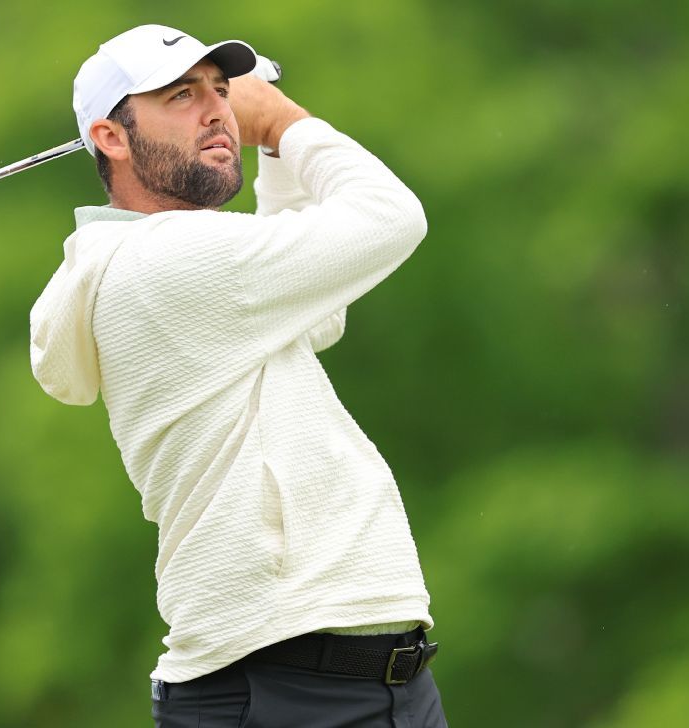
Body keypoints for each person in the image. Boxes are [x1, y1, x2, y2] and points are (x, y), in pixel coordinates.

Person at [30, 24, 446, 727]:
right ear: (111, 137)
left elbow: (315, 314)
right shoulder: (165, 259)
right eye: (181, 95)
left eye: (222, 91)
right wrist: (283, 122)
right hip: (276, 691)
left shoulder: (184, 268)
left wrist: (274, 151)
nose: (217, 109)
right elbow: (391, 216)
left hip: (381, 686)